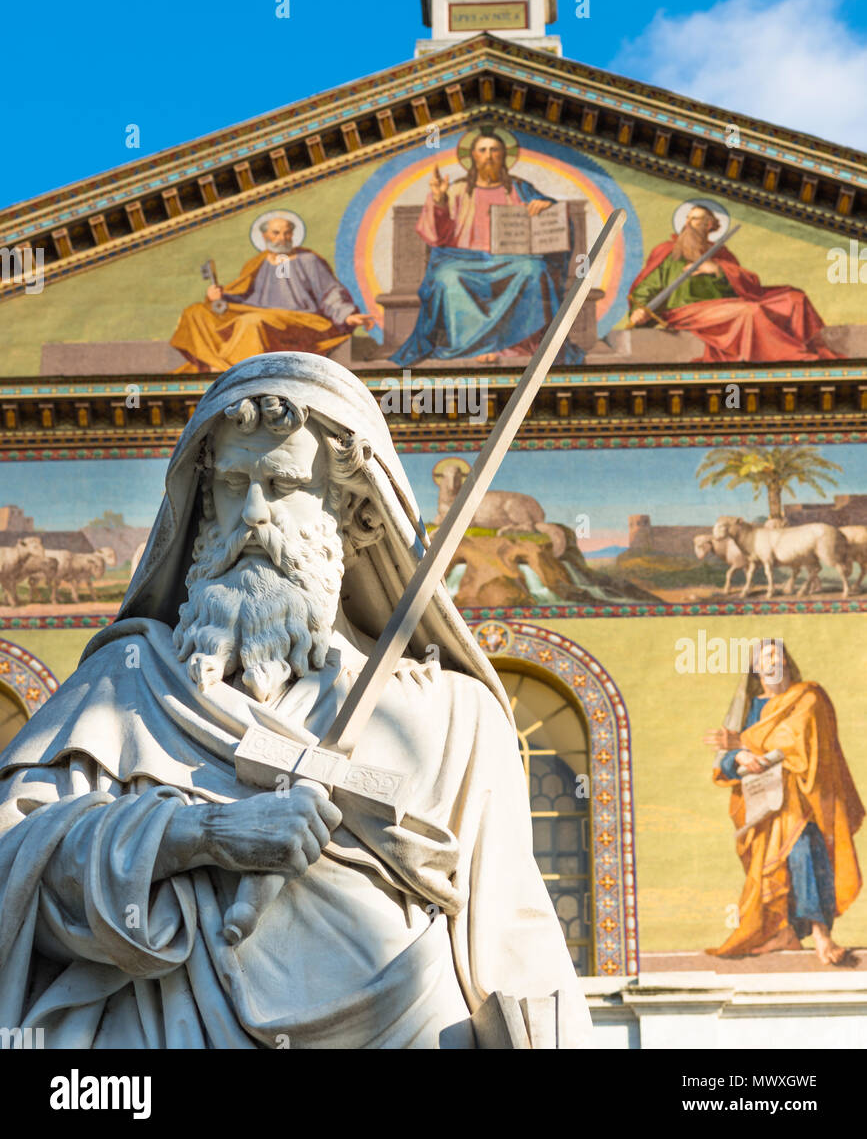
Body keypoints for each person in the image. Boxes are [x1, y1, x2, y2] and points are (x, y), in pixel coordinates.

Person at [0, 353, 591, 1049]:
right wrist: (201, 838)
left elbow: (514, 935)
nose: (252, 513)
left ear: (353, 513)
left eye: (281, 484)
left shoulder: (455, 716)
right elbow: (15, 865)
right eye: (232, 484)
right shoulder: (125, 687)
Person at [704, 640, 863, 963]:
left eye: (778, 656)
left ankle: (821, 935)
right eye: (765, 658)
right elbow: (725, 761)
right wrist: (741, 755)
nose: (773, 662)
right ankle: (784, 932)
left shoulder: (808, 698)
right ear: (756, 669)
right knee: (769, 870)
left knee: (805, 855)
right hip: (763, 805)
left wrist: (746, 744)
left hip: (803, 798)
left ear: (787, 664)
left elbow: (800, 741)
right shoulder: (751, 707)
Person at [392, 129, 579, 366]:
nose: (488, 156)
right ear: (473, 157)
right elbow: (437, 237)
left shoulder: (521, 189)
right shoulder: (457, 190)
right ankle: (471, 346)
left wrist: (544, 205)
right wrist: (439, 200)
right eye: (483, 150)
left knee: (533, 269)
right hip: (463, 259)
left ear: (504, 156)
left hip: (511, 260)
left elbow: (556, 216)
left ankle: (514, 345)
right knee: (447, 277)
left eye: (494, 150)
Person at [628, 203, 836, 363]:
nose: (688, 224)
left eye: (696, 220)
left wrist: (719, 270)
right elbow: (646, 287)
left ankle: (809, 347)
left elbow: (748, 285)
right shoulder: (669, 252)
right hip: (687, 311)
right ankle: (793, 356)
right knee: (749, 311)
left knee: (794, 298)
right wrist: (639, 310)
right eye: (688, 219)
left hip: (725, 305)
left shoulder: (721, 253)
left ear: (709, 225)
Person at [171, 216, 374, 372]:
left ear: (293, 236)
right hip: (261, 314)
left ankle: (238, 374)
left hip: (302, 320)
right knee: (196, 311)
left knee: (251, 323)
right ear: (265, 237)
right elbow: (244, 297)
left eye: (286, 234)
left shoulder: (308, 260)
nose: (282, 238)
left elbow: (330, 293)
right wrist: (218, 298)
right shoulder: (257, 263)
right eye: (276, 233)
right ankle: (214, 364)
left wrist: (347, 314)